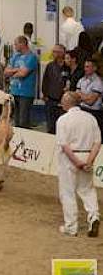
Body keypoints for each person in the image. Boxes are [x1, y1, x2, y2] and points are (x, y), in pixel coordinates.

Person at [55, 92, 101, 237]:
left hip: (70, 157)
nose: (61, 103)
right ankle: (94, 216)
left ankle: (71, 226)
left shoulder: (63, 120)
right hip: (87, 154)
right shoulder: (91, 118)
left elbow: (64, 145)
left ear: (68, 103)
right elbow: (97, 142)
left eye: (63, 101)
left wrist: (77, 162)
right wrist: (89, 161)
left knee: (67, 192)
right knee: (87, 189)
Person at [5, 35, 39, 129]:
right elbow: (6, 72)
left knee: (23, 121)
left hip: (25, 93)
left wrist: (13, 72)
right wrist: (17, 70)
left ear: (23, 44)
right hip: (14, 92)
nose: (14, 46)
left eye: (16, 44)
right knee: (15, 121)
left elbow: (23, 74)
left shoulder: (31, 57)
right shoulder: (15, 56)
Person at [43, 44, 69, 134]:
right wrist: (45, 94)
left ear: (62, 53)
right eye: (53, 51)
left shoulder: (68, 66)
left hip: (64, 101)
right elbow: (45, 80)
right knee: (50, 126)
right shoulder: (50, 66)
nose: (53, 53)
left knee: (63, 127)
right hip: (50, 100)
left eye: (55, 52)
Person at [76, 59, 103, 134]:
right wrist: (86, 97)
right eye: (85, 67)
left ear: (94, 68)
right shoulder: (81, 80)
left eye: (88, 67)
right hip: (82, 110)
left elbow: (91, 102)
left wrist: (81, 96)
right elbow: (76, 97)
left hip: (94, 113)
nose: (85, 69)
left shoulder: (98, 82)